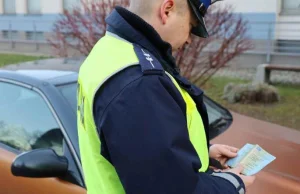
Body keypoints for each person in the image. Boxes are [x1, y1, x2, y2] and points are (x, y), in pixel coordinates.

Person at [77, 0, 256, 194]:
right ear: (167, 10)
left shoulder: (108, 51)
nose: (189, 39)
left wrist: (203, 152)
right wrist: (231, 185)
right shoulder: (141, 82)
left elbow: (133, 148)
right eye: (191, 26)